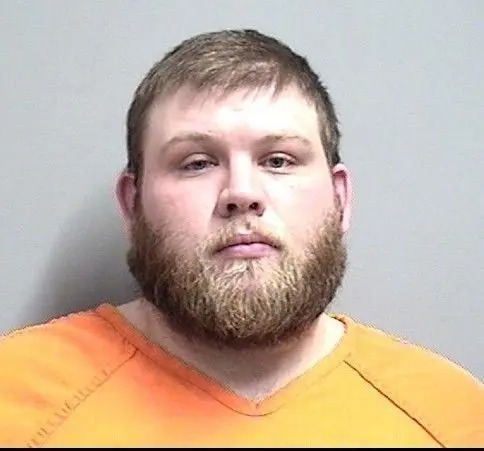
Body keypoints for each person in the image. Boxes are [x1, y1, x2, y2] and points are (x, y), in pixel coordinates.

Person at [0, 28, 483, 447]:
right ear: (132, 204)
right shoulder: (14, 395)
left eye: (278, 160)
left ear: (340, 199)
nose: (242, 193)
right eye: (197, 163)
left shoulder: (455, 418)